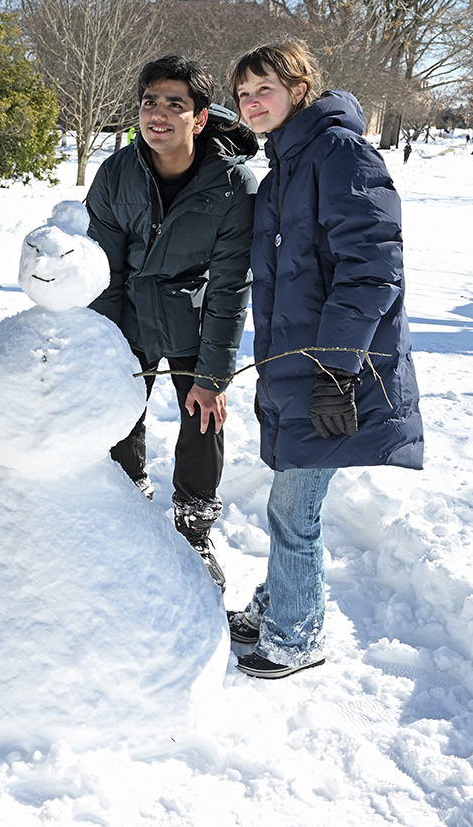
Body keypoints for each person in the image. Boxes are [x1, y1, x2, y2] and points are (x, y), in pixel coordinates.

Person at [227, 41, 423, 680]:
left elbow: (371, 270)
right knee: (291, 495)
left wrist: (338, 370)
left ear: (299, 90)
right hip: (300, 365)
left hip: (335, 371)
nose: (252, 102)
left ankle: (296, 633)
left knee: (294, 506)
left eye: (265, 89)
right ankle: (278, 603)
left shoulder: (339, 154)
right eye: (244, 93)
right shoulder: (289, 162)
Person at [85, 55, 259, 591]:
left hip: (196, 313)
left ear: (200, 118)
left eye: (175, 104)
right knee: (119, 409)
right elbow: (105, 271)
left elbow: (231, 285)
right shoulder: (117, 173)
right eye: (149, 102)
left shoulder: (234, 186)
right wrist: (106, 348)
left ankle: (194, 526)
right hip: (130, 308)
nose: (158, 114)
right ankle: (125, 503)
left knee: (204, 416)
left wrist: (213, 377)